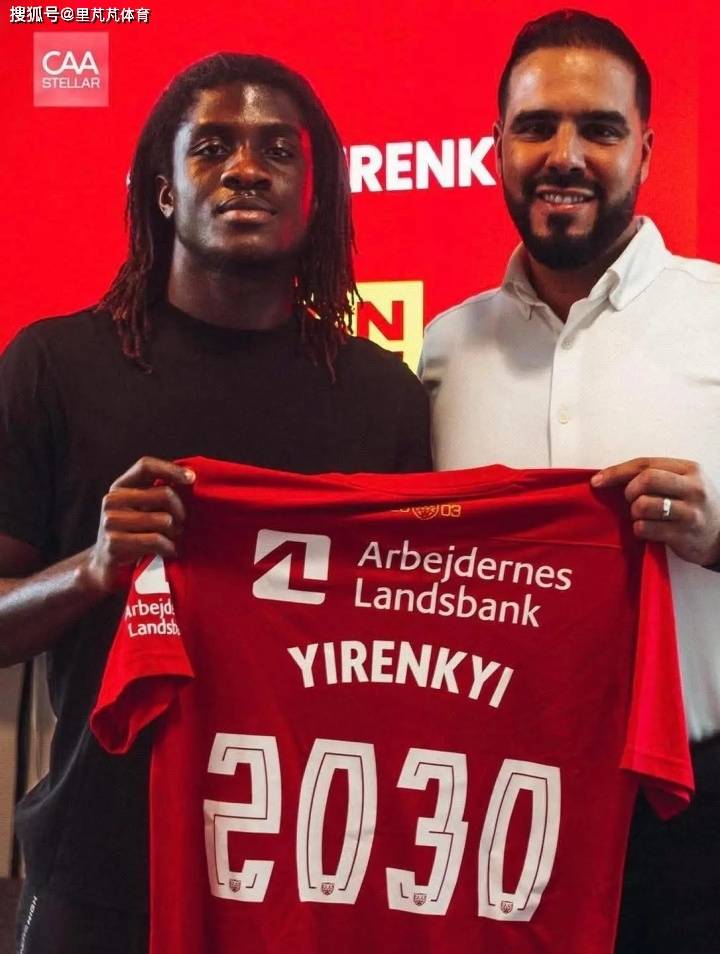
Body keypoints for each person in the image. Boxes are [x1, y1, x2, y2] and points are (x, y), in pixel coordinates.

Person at [1, 53, 430, 954]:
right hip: (102, 868)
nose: (245, 169)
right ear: (163, 192)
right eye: (211, 147)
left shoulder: (382, 396)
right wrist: (91, 570)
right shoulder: (54, 367)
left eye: (277, 149)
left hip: (314, 868)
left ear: (315, 195)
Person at [419, 10, 720, 953]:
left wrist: (718, 535)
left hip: (694, 814)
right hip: (486, 804)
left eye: (599, 128)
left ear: (646, 150)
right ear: (496, 148)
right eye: (536, 127)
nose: (565, 155)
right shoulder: (443, 349)